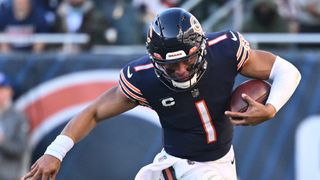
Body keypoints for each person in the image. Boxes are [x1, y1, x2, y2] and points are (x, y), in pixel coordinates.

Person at [22, 8, 301, 180]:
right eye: (170, 65)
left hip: (223, 162)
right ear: (155, 61)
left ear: (201, 49)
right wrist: (55, 152)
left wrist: (272, 107)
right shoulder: (143, 78)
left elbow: (287, 71)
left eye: (187, 62)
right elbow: (94, 111)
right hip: (181, 166)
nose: (180, 70)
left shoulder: (226, 49)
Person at [0, 72, 29, 180]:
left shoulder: (18, 117)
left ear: (10, 91)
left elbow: (21, 148)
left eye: (2, 89)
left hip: (9, 175)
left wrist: (3, 141)